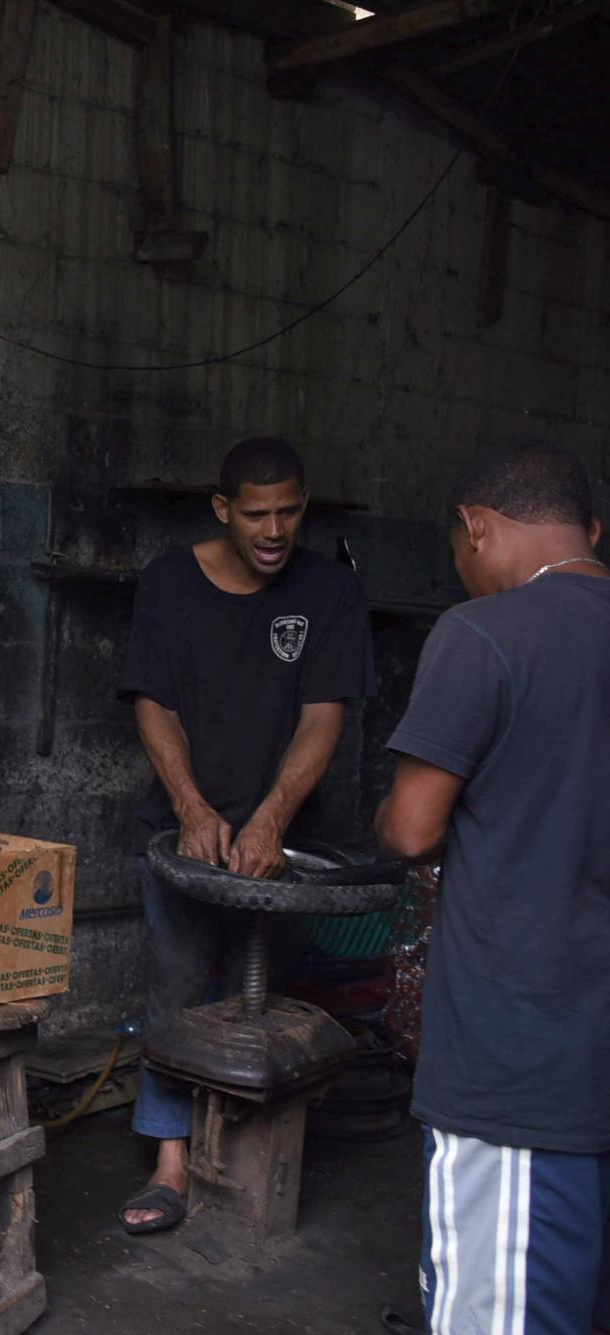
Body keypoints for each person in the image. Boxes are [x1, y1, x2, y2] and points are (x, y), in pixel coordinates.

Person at [374, 440, 609, 1335]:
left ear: (478, 527)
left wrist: (383, 822)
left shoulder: (486, 634)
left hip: (520, 1066)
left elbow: (413, 826)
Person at [115, 437, 373, 1233]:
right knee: (179, 987)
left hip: (281, 841)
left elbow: (323, 715)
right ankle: (171, 1161)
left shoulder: (330, 592)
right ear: (223, 509)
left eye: (289, 510)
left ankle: (253, 1160)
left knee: (262, 1001)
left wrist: (271, 816)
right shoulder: (169, 584)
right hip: (183, 834)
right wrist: (193, 807)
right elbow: (152, 702)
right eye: (256, 513)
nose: (274, 529)